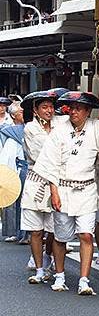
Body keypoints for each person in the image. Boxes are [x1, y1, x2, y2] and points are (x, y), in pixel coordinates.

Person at [33, 91, 99, 295]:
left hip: (86, 188)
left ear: (88, 111)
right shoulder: (59, 130)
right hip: (63, 188)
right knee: (61, 236)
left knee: (86, 234)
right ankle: (60, 275)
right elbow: (50, 163)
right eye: (72, 108)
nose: (74, 112)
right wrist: (53, 191)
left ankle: (84, 280)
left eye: (79, 108)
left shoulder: (97, 127)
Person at [20, 90, 59, 283]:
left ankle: (48, 256)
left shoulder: (61, 124)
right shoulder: (30, 129)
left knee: (53, 229)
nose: (49, 111)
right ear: (36, 110)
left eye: (51, 107)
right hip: (37, 180)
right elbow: (42, 154)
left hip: (56, 182)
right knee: (35, 230)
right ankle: (39, 269)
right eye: (44, 107)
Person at [0, 103, 27, 242]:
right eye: (20, 113)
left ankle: (28, 233)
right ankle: (20, 232)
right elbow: (8, 155)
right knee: (19, 202)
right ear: (14, 116)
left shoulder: (30, 128)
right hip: (20, 168)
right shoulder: (10, 131)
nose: (23, 115)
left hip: (32, 167)